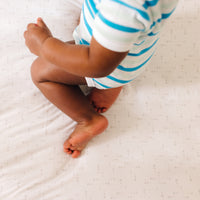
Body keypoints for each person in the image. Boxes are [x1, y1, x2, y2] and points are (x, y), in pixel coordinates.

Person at [24, 0, 179, 158]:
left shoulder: (125, 8)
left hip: (109, 66)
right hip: (132, 50)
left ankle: (88, 119)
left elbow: (96, 65)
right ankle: (111, 83)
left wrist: (44, 45)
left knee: (40, 72)